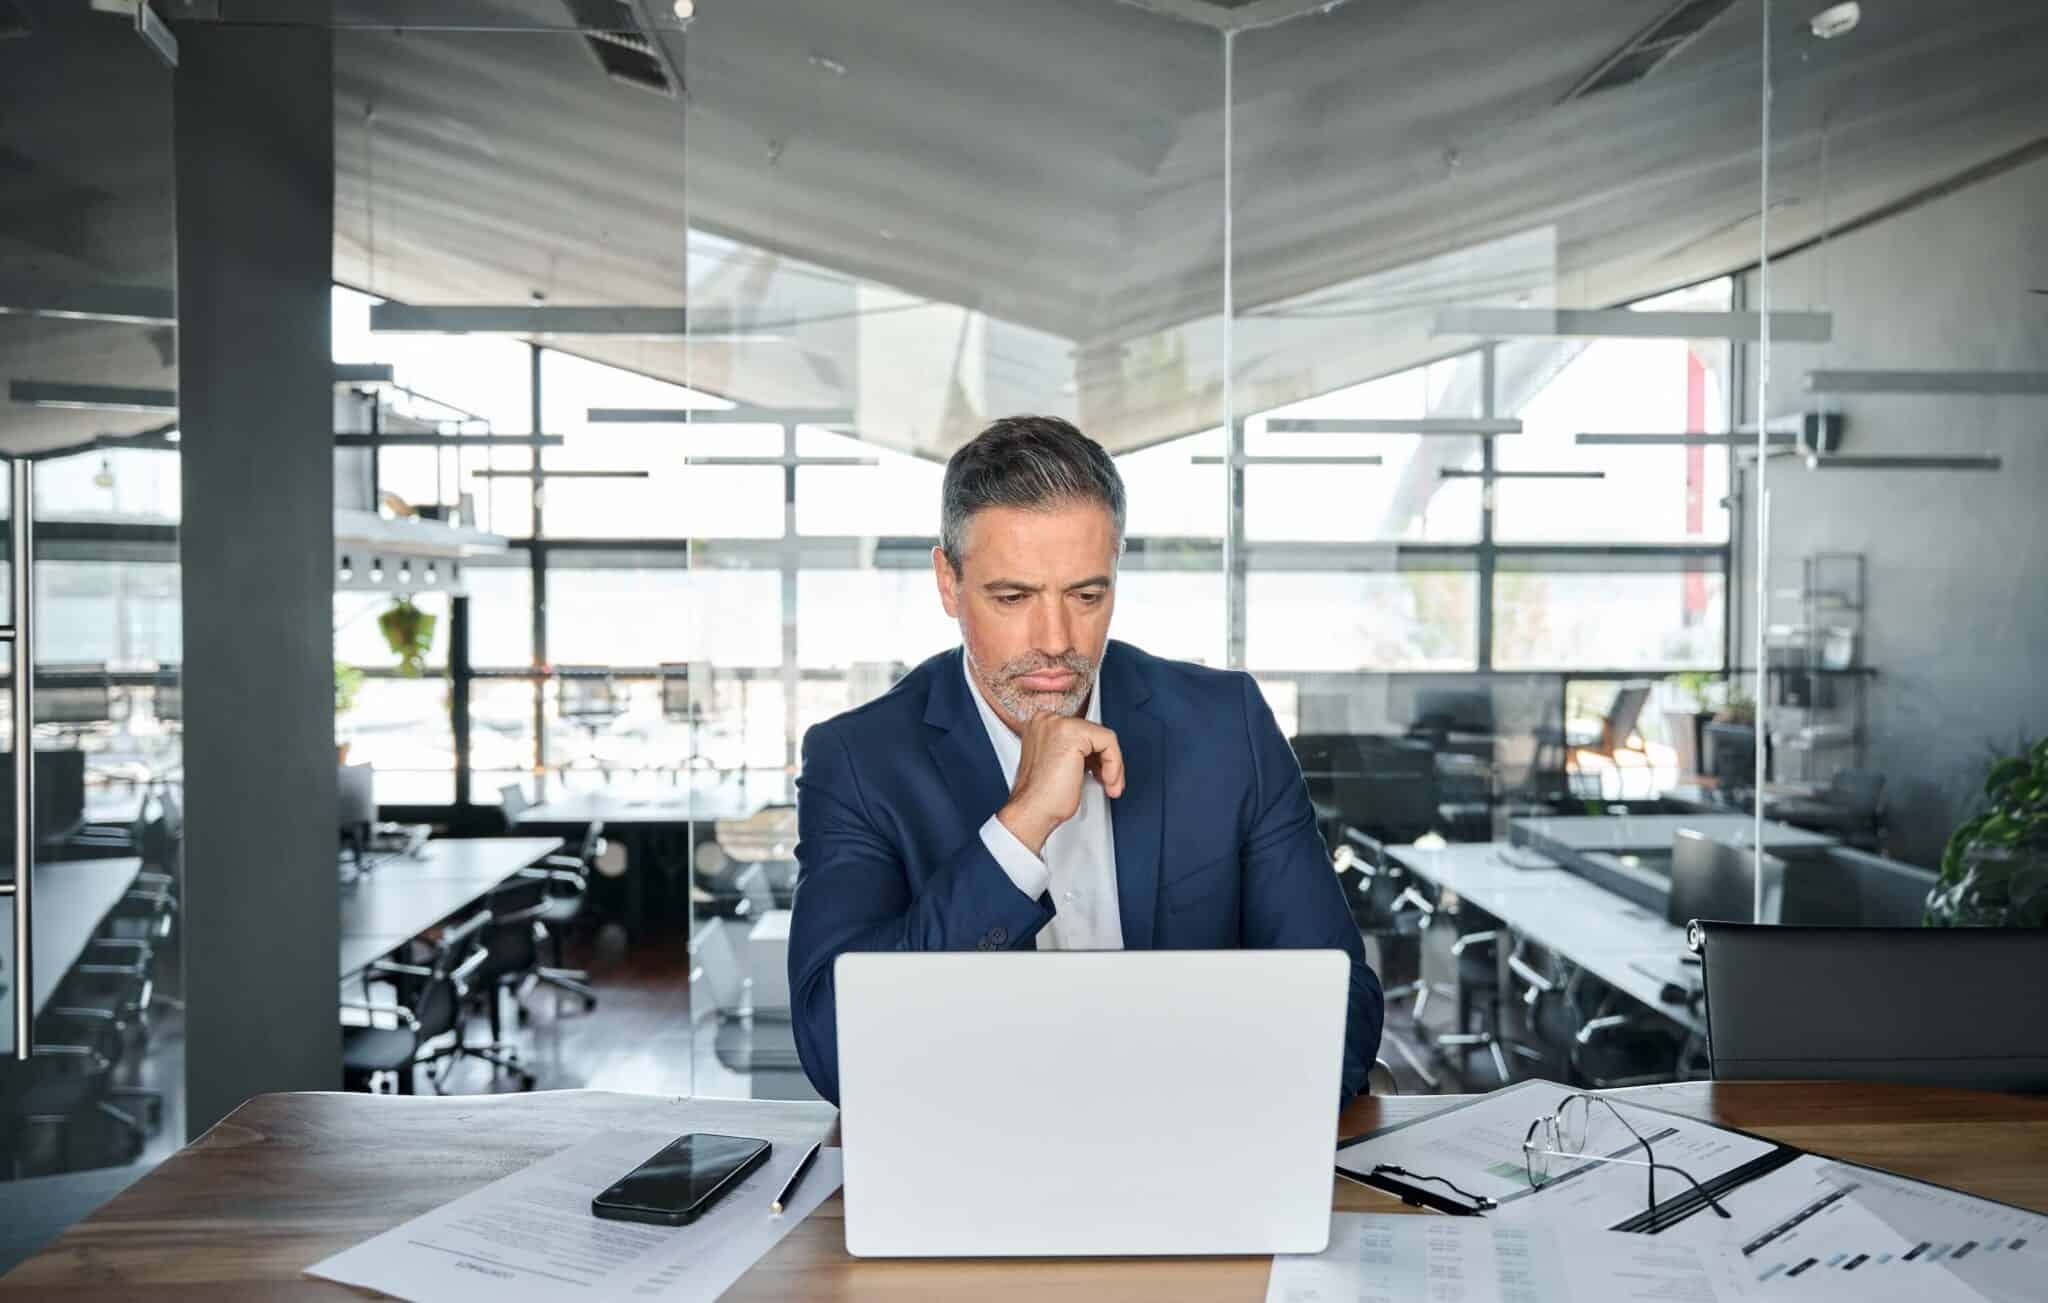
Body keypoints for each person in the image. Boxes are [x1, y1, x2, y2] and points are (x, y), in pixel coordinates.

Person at [786, 415, 1384, 1104]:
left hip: (1200, 1154)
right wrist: (1016, 831)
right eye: (1012, 597)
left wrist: (1169, 1115)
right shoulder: (859, 762)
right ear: (948, 583)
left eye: (1087, 595)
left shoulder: (1227, 727)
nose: (1055, 640)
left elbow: (1343, 1010)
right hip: (976, 1170)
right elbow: (837, 1049)